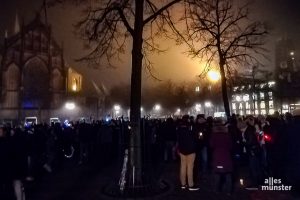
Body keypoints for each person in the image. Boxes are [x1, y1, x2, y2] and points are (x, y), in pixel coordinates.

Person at [176, 115, 199, 191]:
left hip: (182, 149)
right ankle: (190, 185)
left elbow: (178, 138)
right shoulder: (191, 127)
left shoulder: (179, 127)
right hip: (191, 150)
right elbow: (196, 137)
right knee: (190, 168)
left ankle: (183, 184)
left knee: (183, 167)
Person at [210, 120, 233, 195]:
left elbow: (211, 145)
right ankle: (228, 191)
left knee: (217, 174)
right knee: (228, 174)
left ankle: (216, 190)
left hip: (217, 156)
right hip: (226, 156)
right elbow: (231, 146)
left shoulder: (214, 135)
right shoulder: (227, 135)